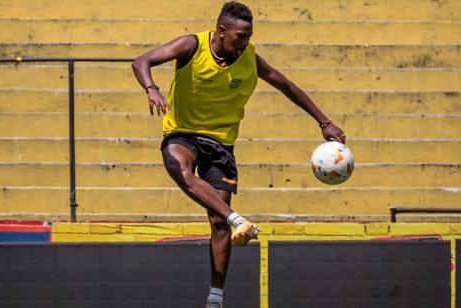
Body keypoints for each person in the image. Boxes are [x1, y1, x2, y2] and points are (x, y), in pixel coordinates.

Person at [132, 1, 346, 306]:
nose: (245, 42)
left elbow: (287, 85)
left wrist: (324, 122)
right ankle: (238, 220)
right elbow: (141, 61)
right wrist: (151, 88)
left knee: (218, 222)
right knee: (178, 167)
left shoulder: (249, 58)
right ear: (221, 31)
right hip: (183, 133)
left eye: (249, 36)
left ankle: (215, 297)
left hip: (221, 145)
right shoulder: (192, 45)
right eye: (240, 36)